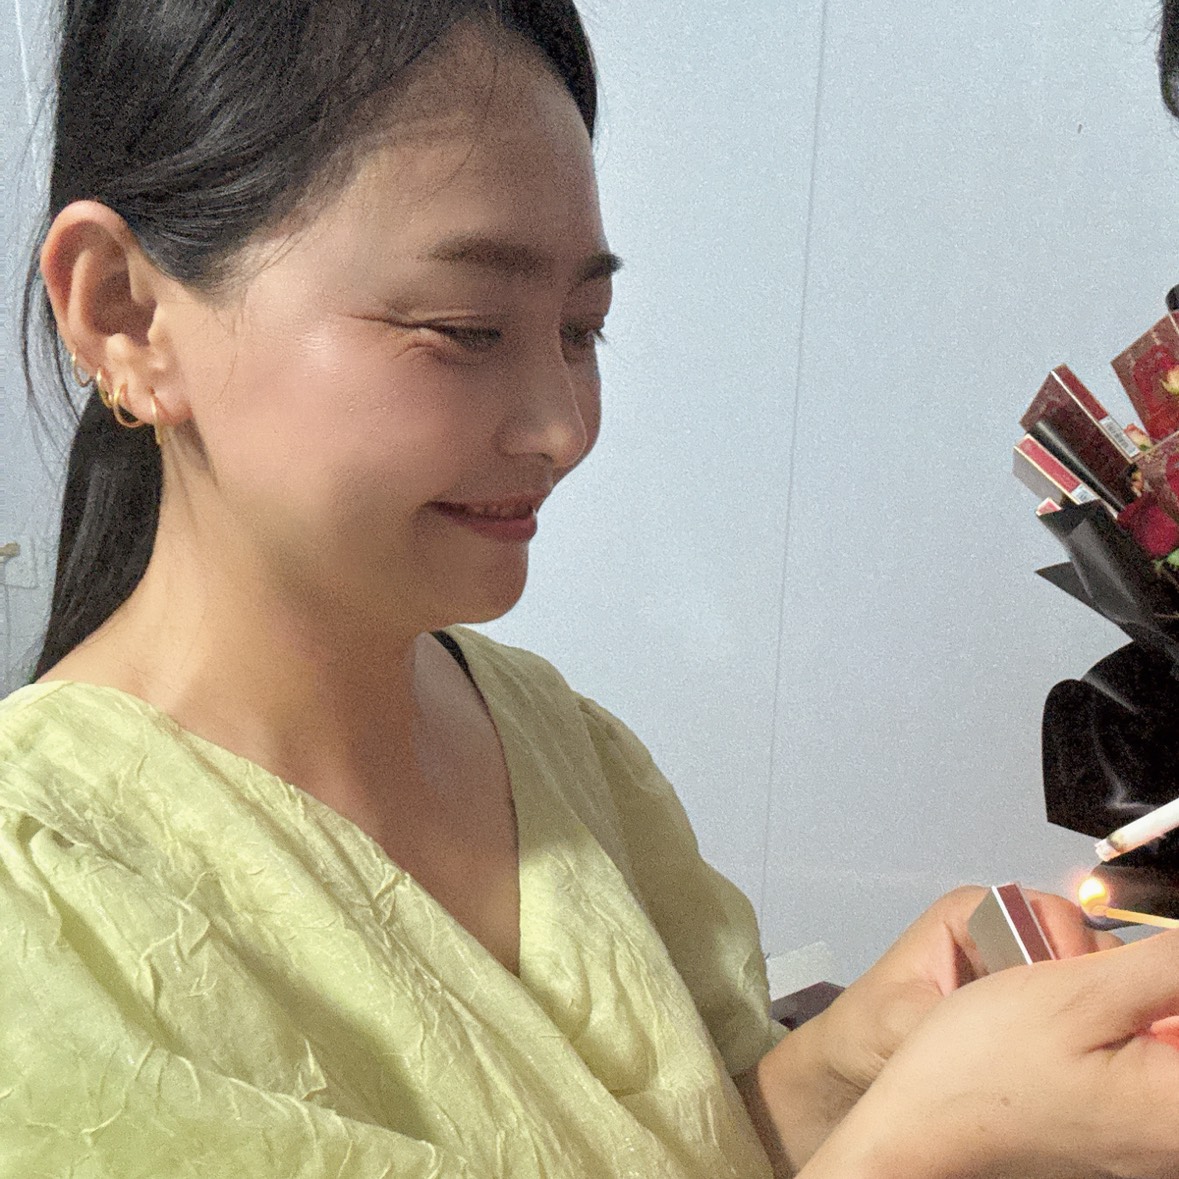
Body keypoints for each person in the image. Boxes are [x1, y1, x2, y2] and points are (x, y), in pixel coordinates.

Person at [5, 0, 1179, 1175]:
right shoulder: (41, 903)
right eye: (466, 329)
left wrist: (841, 1075)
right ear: (124, 315)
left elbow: (667, 1150)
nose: (563, 428)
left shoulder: (560, 745)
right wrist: (929, 1142)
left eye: (582, 329)